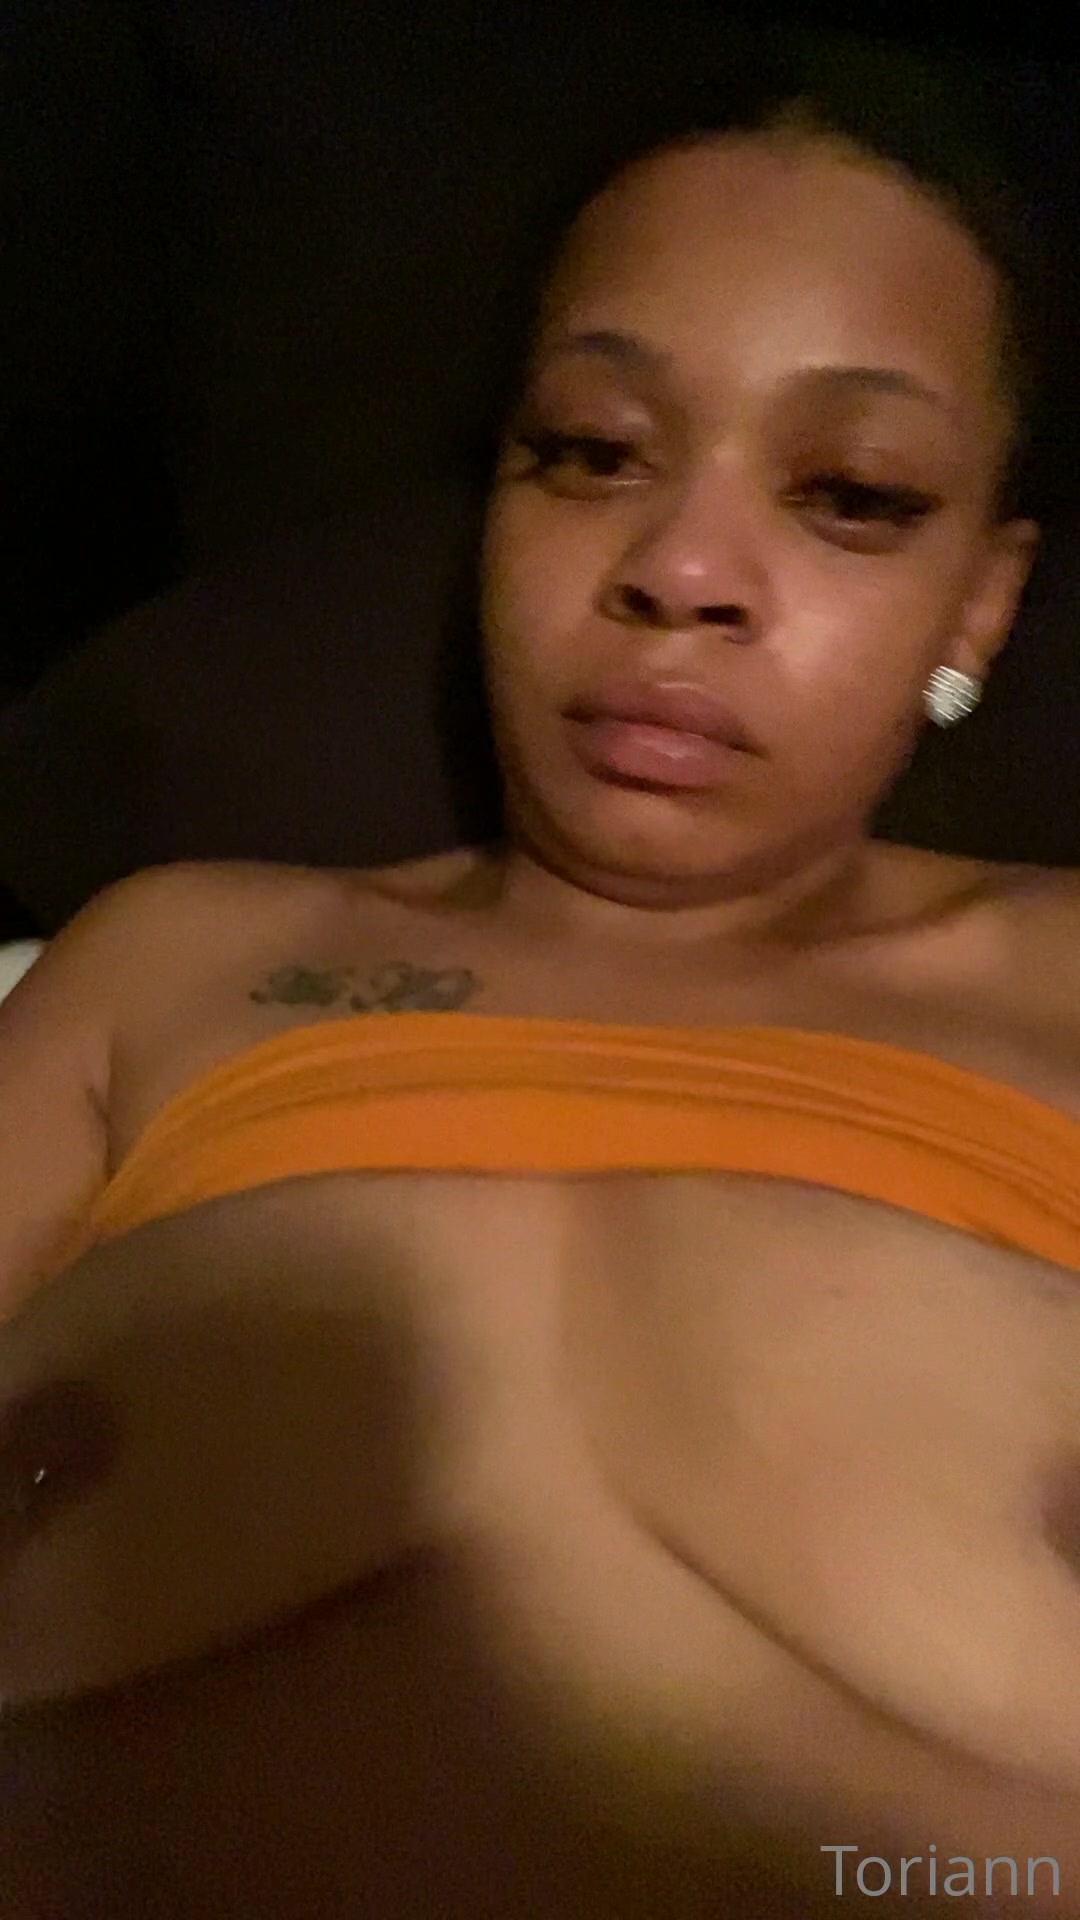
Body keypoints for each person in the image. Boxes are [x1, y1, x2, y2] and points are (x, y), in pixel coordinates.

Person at [2, 67, 1080, 1919]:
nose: (679, 572)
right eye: (591, 451)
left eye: (850, 494)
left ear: (979, 608)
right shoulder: (166, 959)